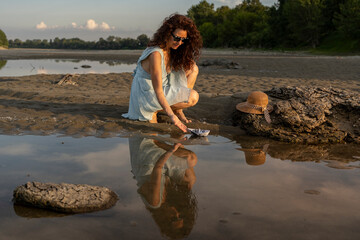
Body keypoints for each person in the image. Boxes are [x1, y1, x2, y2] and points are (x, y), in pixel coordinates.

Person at [122, 14, 203, 133]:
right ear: (167, 33)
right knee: (193, 97)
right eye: (176, 38)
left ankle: (177, 109)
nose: (179, 42)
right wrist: (172, 117)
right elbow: (158, 90)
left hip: (159, 91)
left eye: (183, 40)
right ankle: (158, 110)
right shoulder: (155, 54)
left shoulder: (170, 50)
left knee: (193, 68)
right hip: (146, 95)